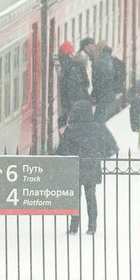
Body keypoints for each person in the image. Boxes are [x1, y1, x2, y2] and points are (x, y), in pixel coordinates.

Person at [54, 99, 119, 235]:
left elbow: (62, 151)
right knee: (91, 197)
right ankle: (92, 226)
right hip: (92, 167)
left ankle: (74, 226)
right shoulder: (97, 128)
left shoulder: (70, 130)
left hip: (75, 169)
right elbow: (107, 149)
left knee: (75, 198)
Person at [92, 42, 122, 123]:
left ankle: (104, 135)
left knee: (98, 121)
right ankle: (102, 135)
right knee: (101, 119)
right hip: (108, 93)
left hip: (103, 94)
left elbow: (97, 81)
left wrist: (94, 94)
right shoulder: (109, 60)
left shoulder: (100, 61)